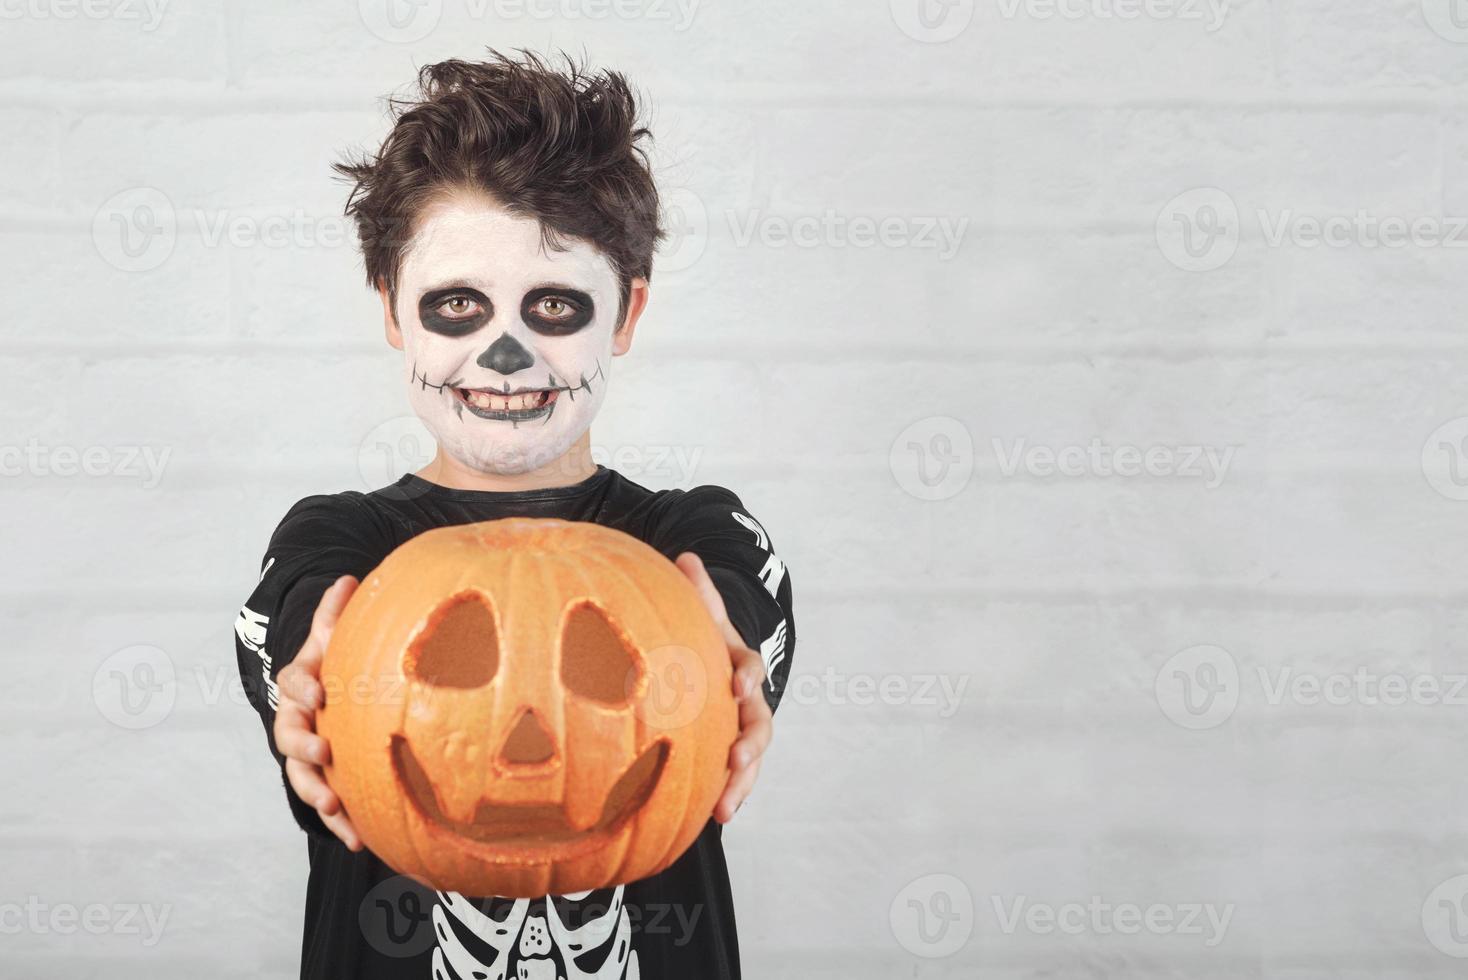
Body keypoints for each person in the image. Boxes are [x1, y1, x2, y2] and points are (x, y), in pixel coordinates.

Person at [232, 49, 795, 980]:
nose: (504, 353)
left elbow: (731, 602)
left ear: (626, 316)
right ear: (392, 314)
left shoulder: (696, 535)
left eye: (555, 305)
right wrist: (304, 675)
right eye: (457, 304)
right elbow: (300, 616)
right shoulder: (335, 541)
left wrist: (726, 645)